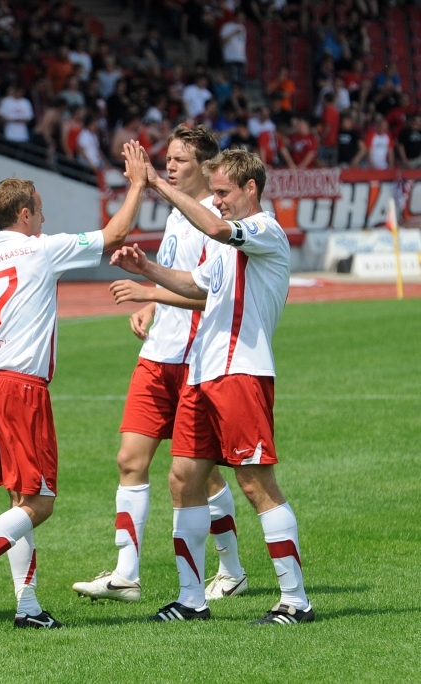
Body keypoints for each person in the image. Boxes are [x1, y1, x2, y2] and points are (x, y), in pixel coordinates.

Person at [0, 143, 146, 631]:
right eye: (41, 213)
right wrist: (136, 184)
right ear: (24, 214)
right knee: (40, 503)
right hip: (20, 387)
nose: (44, 221)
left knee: (18, 499)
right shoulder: (41, 249)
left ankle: (27, 607)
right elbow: (115, 233)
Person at [110, 148, 314, 626]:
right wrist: (147, 272)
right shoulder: (228, 245)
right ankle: (190, 599)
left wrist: (158, 185)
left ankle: (295, 601)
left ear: (250, 189)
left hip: (242, 370)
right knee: (183, 478)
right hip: (203, 373)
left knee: (254, 480)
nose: (218, 201)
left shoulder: (263, 230)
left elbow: (220, 228)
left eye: (223, 192)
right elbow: (199, 287)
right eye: (215, 193)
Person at [73, 126, 248, 604]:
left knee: (200, 475)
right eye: (167, 158)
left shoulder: (216, 219)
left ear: (207, 167)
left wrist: (150, 291)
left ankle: (231, 568)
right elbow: (174, 277)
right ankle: (126, 574)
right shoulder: (176, 217)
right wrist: (152, 306)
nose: (169, 166)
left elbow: (213, 295)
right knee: (130, 460)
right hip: (157, 357)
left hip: (196, 360)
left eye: (180, 160)